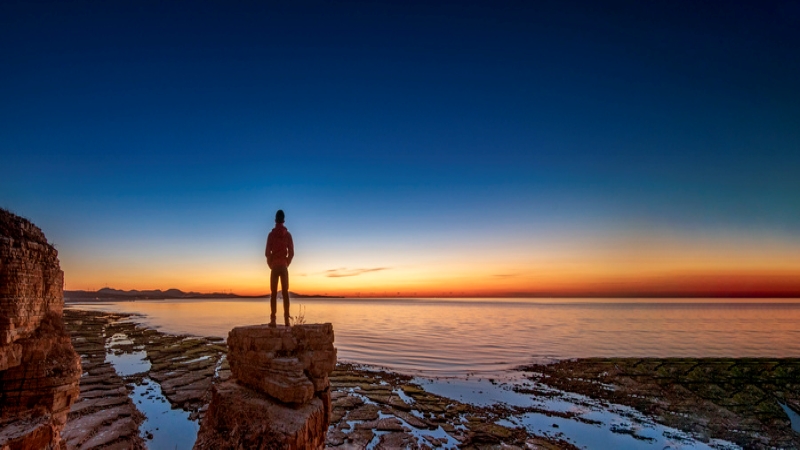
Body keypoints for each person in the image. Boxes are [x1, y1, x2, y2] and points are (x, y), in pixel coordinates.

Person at [265, 209, 294, 327]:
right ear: (284, 220)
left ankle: (273, 319)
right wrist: (286, 263)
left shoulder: (271, 235)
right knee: (285, 293)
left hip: (275, 266)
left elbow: (267, 252)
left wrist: (271, 264)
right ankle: (287, 320)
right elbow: (291, 253)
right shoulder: (288, 235)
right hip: (283, 266)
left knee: (273, 294)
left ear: (275, 220)